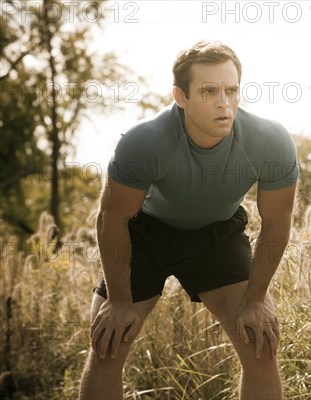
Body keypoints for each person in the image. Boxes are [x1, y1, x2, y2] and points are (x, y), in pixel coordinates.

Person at [79, 40, 298, 400]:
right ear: (181, 97)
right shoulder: (144, 142)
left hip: (218, 236)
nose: (223, 101)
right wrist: (118, 300)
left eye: (231, 90)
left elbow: (277, 222)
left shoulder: (270, 142)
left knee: (260, 343)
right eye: (209, 91)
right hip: (145, 235)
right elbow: (111, 217)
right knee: (108, 345)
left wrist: (256, 298)